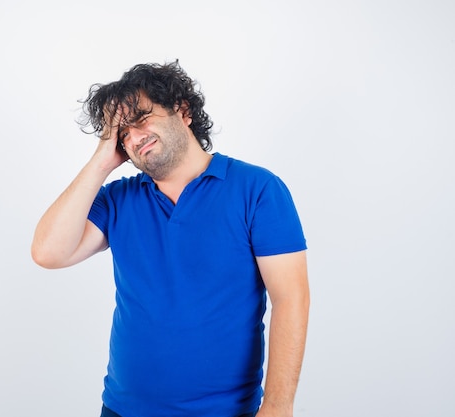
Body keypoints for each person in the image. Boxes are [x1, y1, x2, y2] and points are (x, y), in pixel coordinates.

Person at [31, 60, 310, 417]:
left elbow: (291, 299)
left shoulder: (257, 189)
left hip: (226, 411)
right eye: (122, 134)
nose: (133, 138)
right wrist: (101, 160)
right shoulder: (119, 199)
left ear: (182, 111)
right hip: (122, 409)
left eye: (142, 119)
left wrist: (278, 406)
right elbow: (48, 252)